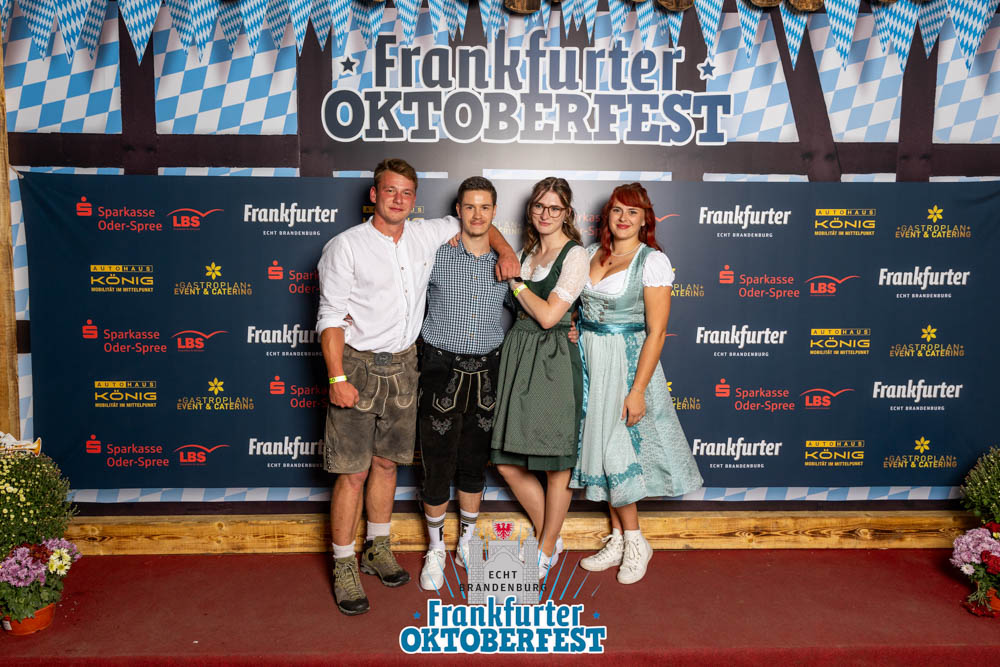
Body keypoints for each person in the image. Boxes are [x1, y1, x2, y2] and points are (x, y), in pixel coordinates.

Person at [317, 160, 518, 616]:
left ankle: (378, 548)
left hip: (407, 365)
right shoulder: (346, 246)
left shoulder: (428, 233)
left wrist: (506, 251)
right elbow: (329, 315)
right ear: (374, 194)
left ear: (415, 199)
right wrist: (336, 377)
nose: (398, 199)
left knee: (388, 464)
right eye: (390, 191)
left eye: (407, 192)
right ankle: (344, 564)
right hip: (357, 365)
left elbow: (482, 226)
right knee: (352, 473)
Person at [570, 183, 703, 585]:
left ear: (646, 219)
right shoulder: (591, 255)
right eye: (617, 210)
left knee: (615, 452)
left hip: (624, 364)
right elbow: (579, 307)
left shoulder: (652, 261)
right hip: (589, 361)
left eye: (633, 211)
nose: (624, 218)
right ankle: (618, 537)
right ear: (607, 216)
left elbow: (657, 332)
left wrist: (638, 389)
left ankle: (636, 540)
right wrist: (576, 328)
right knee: (600, 453)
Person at [491, 177, 589, 579]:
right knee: (505, 460)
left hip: (552, 361)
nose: (545, 214)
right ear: (530, 210)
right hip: (518, 356)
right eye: (538, 206)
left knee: (556, 463)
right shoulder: (525, 252)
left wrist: (516, 285)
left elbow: (549, 316)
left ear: (567, 213)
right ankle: (552, 534)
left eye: (554, 208)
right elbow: (481, 229)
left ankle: (545, 549)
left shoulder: (575, 255)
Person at [417, 177, 509, 591]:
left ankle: (467, 542)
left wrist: (571, 328)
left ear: (494, 212)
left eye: (484, 207)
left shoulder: (507, 262)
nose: (477, 214)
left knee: (474, 462)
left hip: (488, 370)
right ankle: (435, 548)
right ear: (457, 210)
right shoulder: (435, 253)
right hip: (440, 367)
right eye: (469, 206)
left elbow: (530, 310)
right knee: (437, 463)